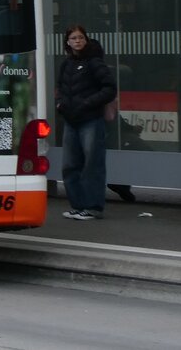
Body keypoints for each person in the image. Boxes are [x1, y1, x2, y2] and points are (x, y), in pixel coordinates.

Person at [56, 25, 116, 220]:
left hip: (91, 120)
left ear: (86, 40)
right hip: (71, 120)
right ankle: (78, 205)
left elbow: (109, 89)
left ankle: (93, 207)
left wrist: (87, 103)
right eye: (73, 38)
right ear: (67, 42)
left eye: (81, 37)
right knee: (70, 165)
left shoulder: (94, 62)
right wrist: (60, 104)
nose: (78, 41)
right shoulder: (66, 64)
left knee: (92, 164)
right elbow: (60, 88)